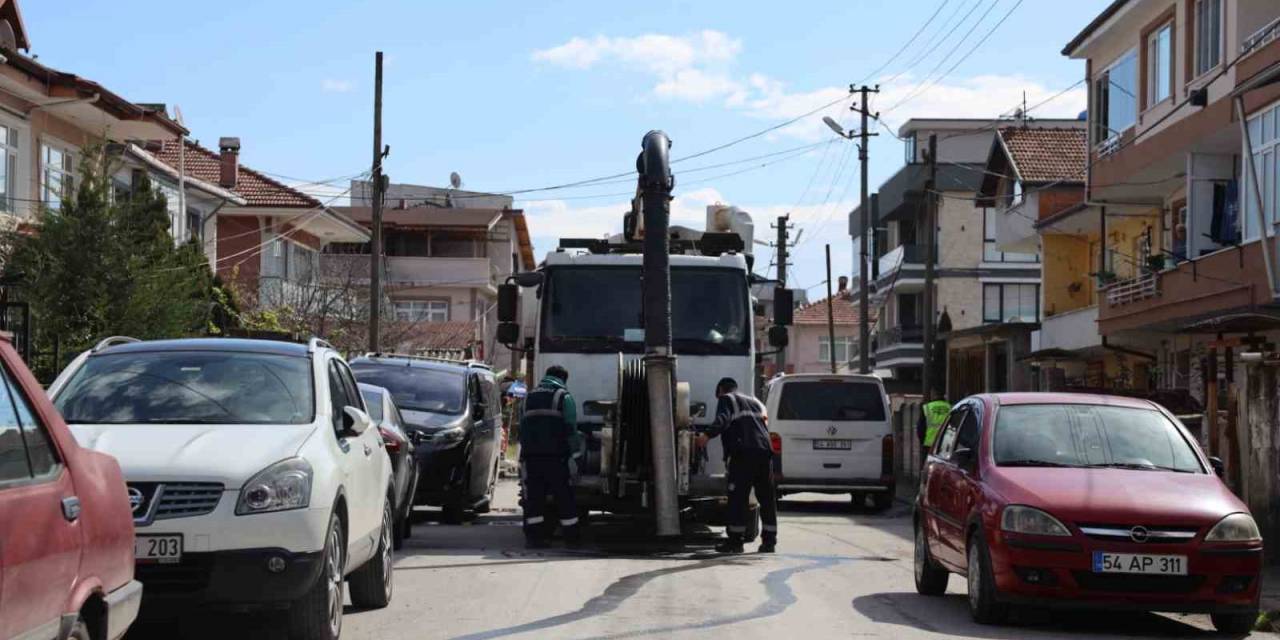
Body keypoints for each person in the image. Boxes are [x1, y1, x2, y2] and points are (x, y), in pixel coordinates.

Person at [696, 377, 778, 554]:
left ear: (720, 390)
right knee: (766, 498)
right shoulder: (754, 402)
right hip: (764, 452)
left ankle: (735, 542)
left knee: (738, 498)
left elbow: (723, 419)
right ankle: (769, 542)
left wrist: (706, 436)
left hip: (744, 454)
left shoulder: (727, 399)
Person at [518, 365, 582, 548]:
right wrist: (576, 457)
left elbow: (522, 428)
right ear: (563, 379)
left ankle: (534, 538)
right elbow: (571, 429)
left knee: (535, 498)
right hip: (555, 457)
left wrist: (523, 456)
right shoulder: (563, 396)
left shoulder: (528, 397)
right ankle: (572, 537)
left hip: (531, 457)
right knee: (564, 496)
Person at [920, 397, 952, 462]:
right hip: (946, 444)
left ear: (933, 393)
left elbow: (920, 428)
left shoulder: (927, 407)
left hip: (929, 444)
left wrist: (922, 441)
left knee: (928, 467)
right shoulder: (950, 407)